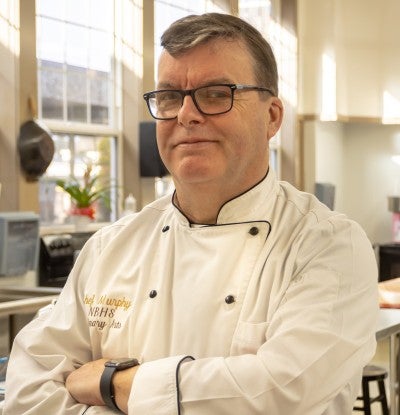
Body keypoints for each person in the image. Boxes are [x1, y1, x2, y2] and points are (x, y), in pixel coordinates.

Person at [4, 12, 379, 415]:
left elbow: (281, 390)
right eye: (168, 97)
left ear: (272, 117)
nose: (186, 115)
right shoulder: (111, 247)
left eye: (217, 93)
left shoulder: (328, 245)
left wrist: (111, 383)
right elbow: (28, 386)